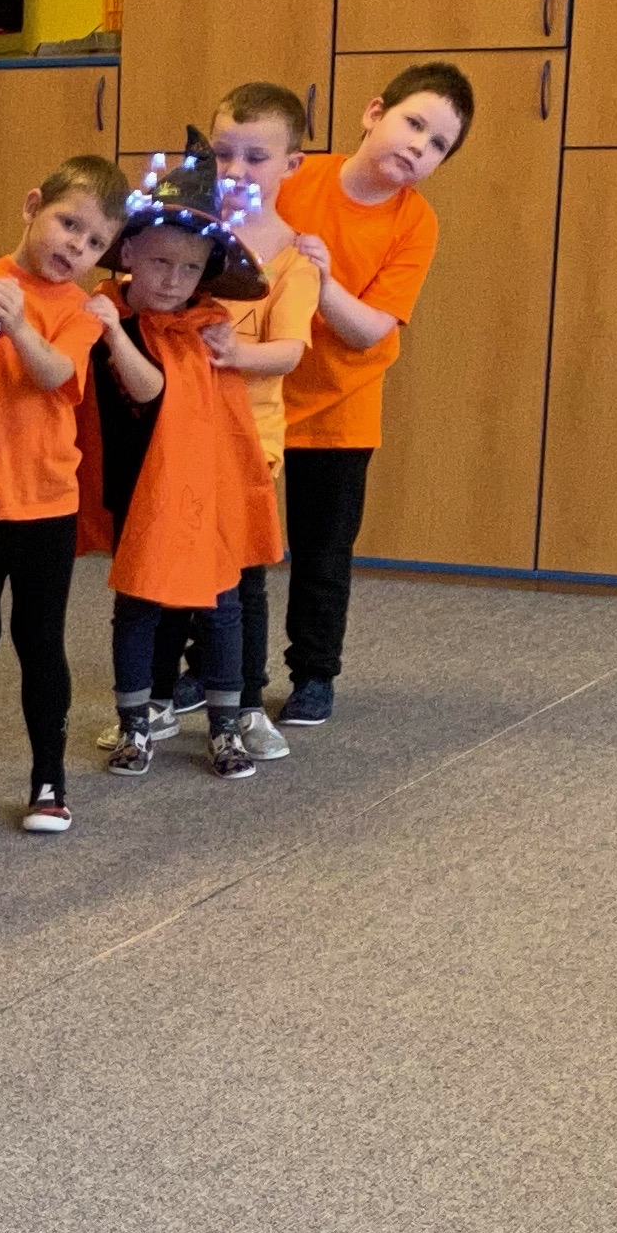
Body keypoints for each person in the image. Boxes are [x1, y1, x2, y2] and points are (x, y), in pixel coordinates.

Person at [269, 64, 468, 726]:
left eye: (438, 145)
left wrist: (320, 280)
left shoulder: (416, 224)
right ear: (374, 112)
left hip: (341, 406)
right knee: (229, 541)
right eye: (414, 123)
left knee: (323, 552)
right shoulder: (297, 176)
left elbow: (368, 330)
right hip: (256, 388)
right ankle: (208, 666)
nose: (419, 146)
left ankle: (314, 674)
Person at [138, 83, 321, 758]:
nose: (236, 170)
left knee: (241, 579)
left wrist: (235, 354)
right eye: (223, 154)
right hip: (176, 439)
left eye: (256, 157)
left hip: (245, 446)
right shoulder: (189, 233)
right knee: (164, 569)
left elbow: (291, 351)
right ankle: (156, 699)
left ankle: (244, 705)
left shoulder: (295, 259)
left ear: (291, 165)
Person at [89, 154, 286, 782]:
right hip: (136, 484)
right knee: (139, 603)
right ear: (129, 253)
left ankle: (225, 726)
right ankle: (135, 723)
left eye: (191, 268)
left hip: (206, 488)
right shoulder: (104, 315)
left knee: (221, 606)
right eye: (159, 263)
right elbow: (139, 393)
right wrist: (112, 334)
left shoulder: (207, 327)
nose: (174, 280)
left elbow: (200, 409)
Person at [0, 159, 128, 852]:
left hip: (46, 506)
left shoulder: (81, 310)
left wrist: (20, 325)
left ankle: (48, 779)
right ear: (33, 205)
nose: (76, 246)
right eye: (68, 224)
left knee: (39, 644)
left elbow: (58, 375)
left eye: (94, 243)